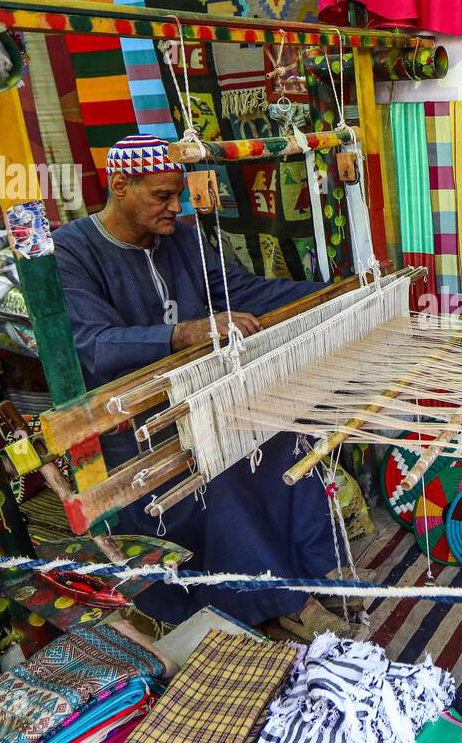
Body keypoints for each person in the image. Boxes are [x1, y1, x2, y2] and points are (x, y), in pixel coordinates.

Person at [53, 134, 352, 638]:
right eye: (163, 196)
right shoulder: (72, 251)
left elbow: (243, 291)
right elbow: (93, 345)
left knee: (281, 435)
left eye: (180, 195)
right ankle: (273, 602)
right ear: (121, 185)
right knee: (223, 470)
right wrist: (181, 333)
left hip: (204, 395)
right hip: (137, 419)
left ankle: (304, 570)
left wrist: (339, 291)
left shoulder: (183, 237)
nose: (177, 206)